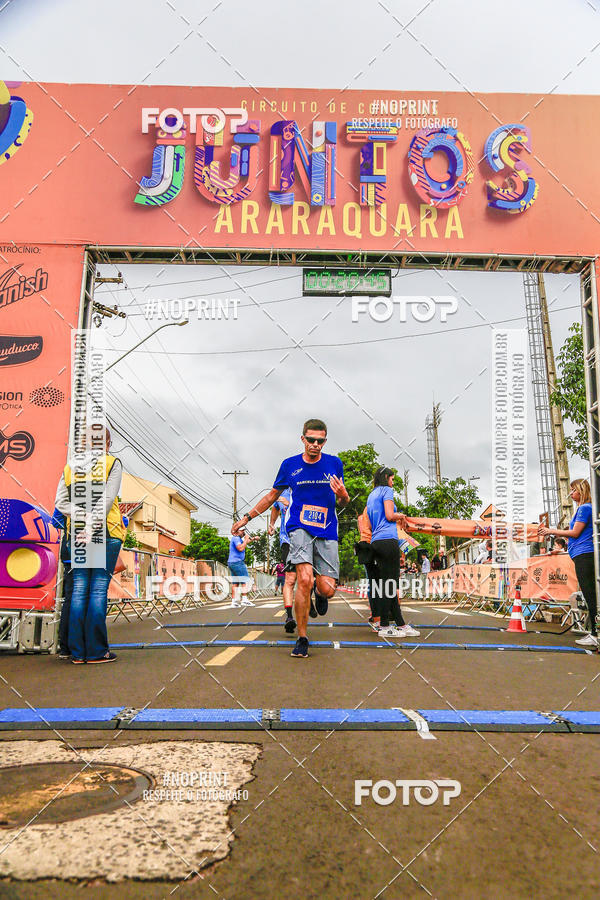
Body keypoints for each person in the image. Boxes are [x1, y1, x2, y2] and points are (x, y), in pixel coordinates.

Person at [232, 418, 349, 658]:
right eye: (311, 440)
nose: (315, 444)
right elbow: (272, 496)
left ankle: (320, 591)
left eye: (320, 441)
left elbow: (343, 501)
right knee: (303, 579)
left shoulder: (334, 464)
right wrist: (247, 517)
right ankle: (302, 638)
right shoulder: (289, 465)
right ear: (303, 439)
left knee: (327, 589)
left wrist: (344, 495)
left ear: (325, 441)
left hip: (327, 529)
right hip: (299, 527)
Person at [54, 426, 124, 664]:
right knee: (98, 589)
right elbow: (107, 500)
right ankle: (96, 651)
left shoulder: (70, 467)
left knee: (80, 589)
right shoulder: (111, 463)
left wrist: (82, 519)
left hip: (76, 531)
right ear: (107, 443)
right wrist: (92, 525)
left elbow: (60, 503)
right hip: (105, 530)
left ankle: (77, 652)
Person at [540, 479, 598, 647]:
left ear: (581, 490)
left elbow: (575, 532)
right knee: (590, 594)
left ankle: (596, 633)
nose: (570, 493)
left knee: (590, 595)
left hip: (584, 554)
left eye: (573, 490)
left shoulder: (584, 508)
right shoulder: (584, 508)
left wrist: (551, 530)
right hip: (581, 554)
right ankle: (594, 632)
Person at [366, 466, 419, 639]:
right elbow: (390, 515)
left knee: (387, 585)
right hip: (388, 540)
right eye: (392, 479)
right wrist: (401, 515)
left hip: (376, 541)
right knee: (390, 585)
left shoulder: (371, 495)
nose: (393, 482)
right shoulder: (387, 491)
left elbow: (372, 522)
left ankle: (400, 624)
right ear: (386, 478)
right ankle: (384, 626)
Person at [268, 487, 297, 633]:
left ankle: (311, 599)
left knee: (306, 578)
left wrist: (290, 504)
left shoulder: (303, 486)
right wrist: (272, 524)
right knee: (289, 578)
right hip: (286, 540)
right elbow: (275, 508)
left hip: (305, 539)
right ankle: (289, 617)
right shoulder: (281, 492)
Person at [227, 528, 257, 608]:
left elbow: (245, 543)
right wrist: (246, 539)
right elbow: (240, 548)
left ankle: (234, 602)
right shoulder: (236, 538)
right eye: (242, 530)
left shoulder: (237, 539)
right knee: (245, 580)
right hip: (237, 562)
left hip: (232, 562)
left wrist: (253, 538)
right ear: (237, 531)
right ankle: (244, 600)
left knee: (235, 583)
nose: (244, 532)